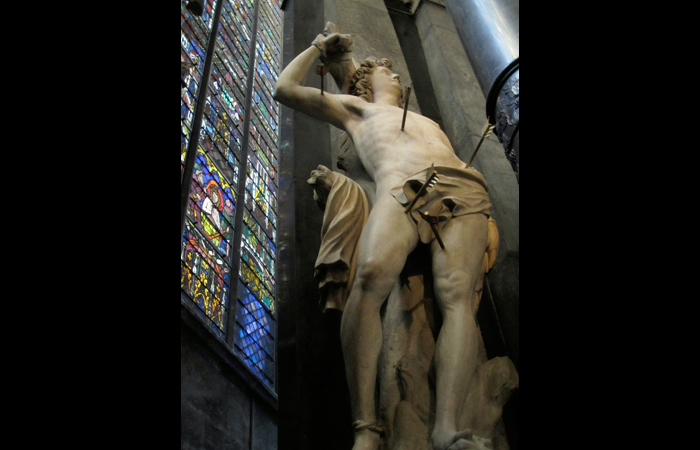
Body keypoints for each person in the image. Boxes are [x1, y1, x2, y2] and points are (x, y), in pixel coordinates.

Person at [273, 30, 494, 450]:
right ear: (364, 82)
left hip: (463, 189)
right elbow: (285, 89)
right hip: (403, 188)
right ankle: (366, 427)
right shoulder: (357, 109)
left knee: (458, 298)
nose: (393, 77)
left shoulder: (427, 120)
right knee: (371, 275)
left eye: (393, 73)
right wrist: (320, 49)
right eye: (384, 73)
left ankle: (447, 427)